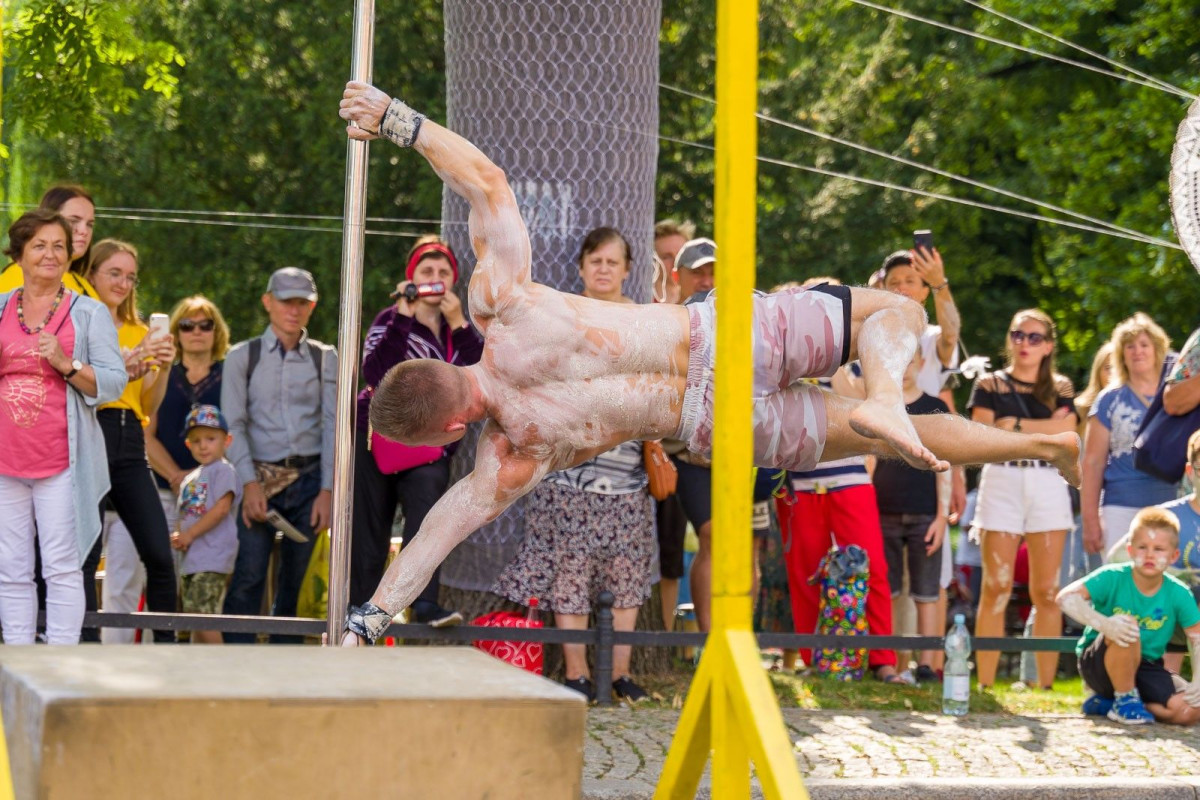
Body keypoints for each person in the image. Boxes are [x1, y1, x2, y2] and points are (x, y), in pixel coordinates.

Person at [337, 81, 1081, 645]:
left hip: (715, 419)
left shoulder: (508, 452)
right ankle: (899, 394)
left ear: (443, 434)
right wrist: (400, 120)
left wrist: (368, 619)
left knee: (888, 435)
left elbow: (433, 534)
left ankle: (1038, 447)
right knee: (899, 313)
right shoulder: (504, 305)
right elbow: (489, 182)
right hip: (718, 339)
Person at [492, 227, 655, 702]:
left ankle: (619, 676)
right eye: (595, 261)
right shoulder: (561, 314)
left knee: (626, 580)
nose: (604, 269)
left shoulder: (647, 320)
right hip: (566, 472)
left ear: (628, 269)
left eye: (612, 261)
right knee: (569, 578)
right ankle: (577, 677)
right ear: (582, 267)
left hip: (629, 476)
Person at [0, 210, 126, 644]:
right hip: (5, 462)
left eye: (59, 245)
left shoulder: (88, 313)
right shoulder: (0, 308)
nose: (51, 254)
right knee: (12, 570)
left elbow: (114, 382)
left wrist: (66, 363)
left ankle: (59, 668)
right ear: (19, 254)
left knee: (62, 567)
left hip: (60, 464)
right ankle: (17, 668)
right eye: (39, 245)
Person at [350, 236, 484, 626]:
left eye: (443, 272)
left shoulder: (455, 329)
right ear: (411, 279)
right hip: (377, 438)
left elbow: (480, 372)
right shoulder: (388, 321)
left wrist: (459, 323)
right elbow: (376, 373)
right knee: (369, 526)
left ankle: (423, 604)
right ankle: (361, 609)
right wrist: (403, 317)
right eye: (426, 272)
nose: (435, 279)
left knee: (429, 520)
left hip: (430, 444)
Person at [100, 295, 232, 644]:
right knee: (126, 580)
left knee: (189, 590)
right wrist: (179, 478)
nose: (197, 332)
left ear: (216, 331)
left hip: (213, 502)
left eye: (206, 325)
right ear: (175, 332)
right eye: (187, 325)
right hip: (154, 488)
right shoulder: (163, 371)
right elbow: (145, 429)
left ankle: (179, 671)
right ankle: (115, 663)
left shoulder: (228, 375)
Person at [221, 267, 338, 643]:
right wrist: (250, 484)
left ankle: (284, 672)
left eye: (302, 302)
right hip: (258, 479)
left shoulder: (325, 358)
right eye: (286, 301)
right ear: (268, 302)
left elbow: (334, 426)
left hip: (308, 483)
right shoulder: (242, 356)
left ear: (312, 306)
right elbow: (232, 427)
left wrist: (327, 490)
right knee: (249, 575)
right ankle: (235, 669)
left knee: (295, 584)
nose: (294, 309)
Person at [967, 309, 1078, 690]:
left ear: (1048, 346)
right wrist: (1041, 434)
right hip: (1002, 479)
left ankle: (1042, 687)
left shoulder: (1061, 387)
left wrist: (1013, 426)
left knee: (1046, 590)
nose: (1024, 343)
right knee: (995, 585)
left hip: (1048, 482)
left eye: (1034, 337)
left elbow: (1067, 432)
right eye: (1018, 335)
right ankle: (984, 684)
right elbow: (982, 434)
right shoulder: (989, 384)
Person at [84, 239, 178, 643]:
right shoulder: (80, 321)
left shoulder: (141, 330)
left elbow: (148, 402)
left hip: (130, 438)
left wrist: (164, 367)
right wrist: (125, 362)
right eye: (114, 273)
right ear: (91, 274)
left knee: (159, 554)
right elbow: (89, 387)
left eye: (130, 276)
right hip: (90, 433)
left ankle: (167, 646)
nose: (123, 283)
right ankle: (83, 647)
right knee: (85, 558)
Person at [1057, 507, 1200, 725]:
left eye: (1159, 549)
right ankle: (1123, 699)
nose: (1150, 554)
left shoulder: (1178, 592)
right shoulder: (1112, 576)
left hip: (1146, 666)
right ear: (1130, 550)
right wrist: (1106, 625)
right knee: (1127, 624)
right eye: (1143, 547)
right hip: (1099, 664)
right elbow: (1065, 598)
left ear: (1174, 556)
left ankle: (1108, 704)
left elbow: (1197, 638)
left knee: (1189, 712)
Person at [873, 350, 950, 684]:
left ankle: (927, 664)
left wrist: (942, 517)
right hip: (882, 511)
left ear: (921, 364)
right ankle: (887, 662)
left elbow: (946, 467)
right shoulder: (877, 404)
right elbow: (868, 462)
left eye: (909, 361)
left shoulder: (936, 408)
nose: (901, 370)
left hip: (924, 512)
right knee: (887, 592)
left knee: (926, 593)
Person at [1082, 313, 1176, 558]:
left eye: (1144, 345)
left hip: (1173, 504)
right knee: (1120, 584)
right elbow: (1092, 462)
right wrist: (1090, 520)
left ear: (1158, 349)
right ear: (1120, 353)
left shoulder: (1179, 395)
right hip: (1121, 506)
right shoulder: (1109, 399)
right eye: (1129, 346)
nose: (1137, 352)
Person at [169, 405, 242, 644]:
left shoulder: (223, 470)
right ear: (188, 445)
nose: (203, 445)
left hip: (212, 557)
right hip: (191, 560)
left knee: (203, 616)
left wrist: (189, 535)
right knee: (194, 616)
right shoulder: (191, 477)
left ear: (227, 440)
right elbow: (185, 512)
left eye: (211, 439)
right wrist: (179, 534)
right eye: (196, 440)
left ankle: (220, 670)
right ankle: (201, 671)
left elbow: (220, 510)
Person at [0, 184, 100, 299]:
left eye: (90, 224)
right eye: (73, 221)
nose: (84, 231)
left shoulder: (84, 285)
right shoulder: (21, 276)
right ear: (48, 220)